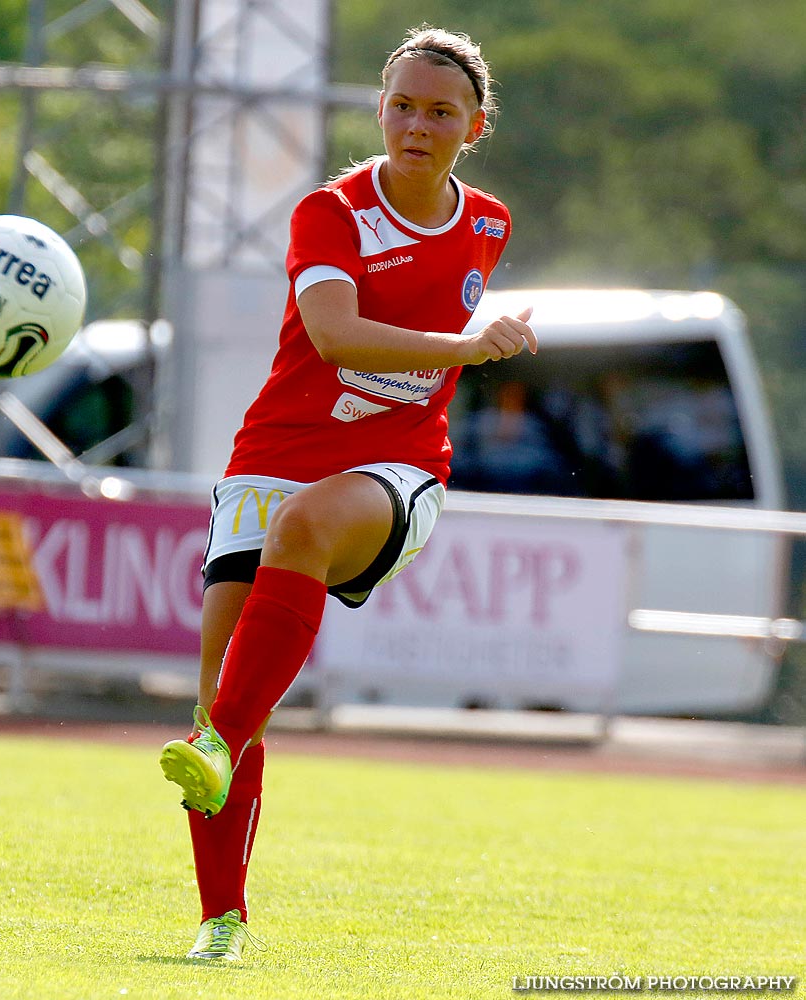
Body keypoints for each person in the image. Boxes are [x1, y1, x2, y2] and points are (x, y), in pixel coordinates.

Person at [158, 25, 537, 959]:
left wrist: (477, 345)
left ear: (473, 128)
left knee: (306, 526)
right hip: (269, 454)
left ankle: (220, 743)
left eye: (439, 111)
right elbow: (334, 336)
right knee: (220, 709)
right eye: (401, 105)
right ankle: (221, 922)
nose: (416, 124)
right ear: (379, 109)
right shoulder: (329, 212)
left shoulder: (487, 221)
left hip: (400, 467)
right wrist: (466, 346)